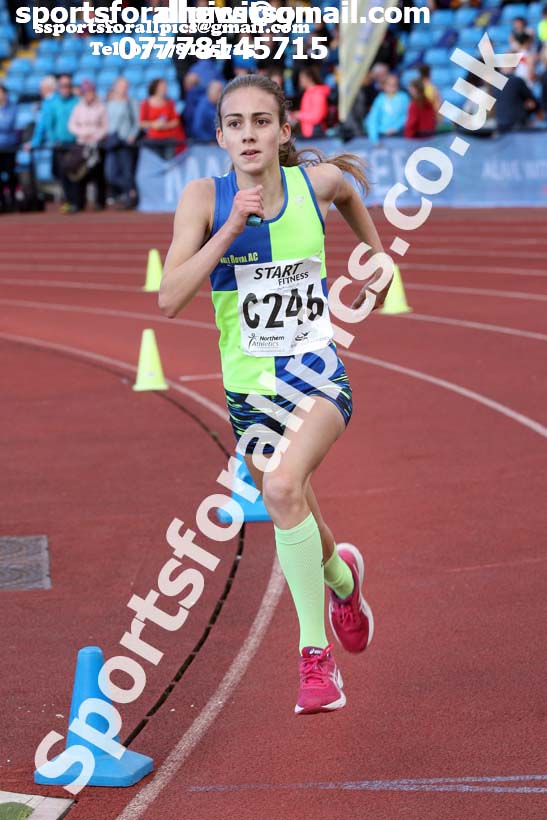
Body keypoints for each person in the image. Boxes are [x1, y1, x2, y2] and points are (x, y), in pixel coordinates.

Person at [159, 75, 391, 715]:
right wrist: (231, 225)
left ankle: (315, 661)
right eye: (236, 123)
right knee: (296, 506)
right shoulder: (205, 198)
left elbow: (343, 187)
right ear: (220, 136)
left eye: (263, 121)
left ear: (284, 132)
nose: (250, 133)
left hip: (315, 373)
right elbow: (169, 297)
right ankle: (343, 583)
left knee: (282, 489)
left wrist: (375, 256)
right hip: (249, 394)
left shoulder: (312, 187)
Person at [68, 79, 108, 211]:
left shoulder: (101, 107)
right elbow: (72, 125)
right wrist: (83, 133)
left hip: (96, 145)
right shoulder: (78, 108)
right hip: (82, 144)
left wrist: (95, 135)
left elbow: (105, 126)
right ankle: (79, 202)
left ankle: (99, 202)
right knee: (80, 175)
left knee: (98, 174)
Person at [105, 77, 140, 208]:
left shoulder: (131, 103)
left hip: (125, 142)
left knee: (127, 172)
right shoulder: (109, 103)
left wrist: (132, 135)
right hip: (112, 141)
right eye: (121, 86)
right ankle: (131, 191)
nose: (123, 88)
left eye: (125, 86)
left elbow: (137, 122)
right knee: (110, 174)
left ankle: (129, 197)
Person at [48, 74, 79, 213]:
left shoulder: (77, 102)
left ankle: (76, 202)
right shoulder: (53, 104)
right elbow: (49, 125)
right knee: (62, 175)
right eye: (62, 86)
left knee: (76, 175)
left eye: (68, 86)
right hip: (60, 145)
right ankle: (69, 201)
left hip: (75, 144)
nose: (65, 89)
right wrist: (54, 139)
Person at [139, 79, 186, 158]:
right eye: (162, 87)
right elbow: (141, 123)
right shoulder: (145, 103)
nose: (164, 89)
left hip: (168, 139)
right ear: (155, 87)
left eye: (165, 87)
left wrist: (164, 125)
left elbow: (175, 121)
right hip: (152, 139)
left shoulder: (170, 103)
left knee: (169, 163)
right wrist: (153, 124)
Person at [365, 73, 409, 145]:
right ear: (384, 86)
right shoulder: (380, 99)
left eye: (395, 84)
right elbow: (373, 118)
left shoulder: (404, 97)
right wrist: (374, 139)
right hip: (382, 135)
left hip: (399, 135)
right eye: (390, 84)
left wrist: (396, 127)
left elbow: (407, 115)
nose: (392, 87)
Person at [288, 66, 331, 138]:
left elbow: (317, 116)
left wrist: (298, 115)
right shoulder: (307, 93)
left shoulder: (318, 93)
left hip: (316, 132)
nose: (300, 81)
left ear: (310, 78)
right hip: (308, 132)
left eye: (302, 78)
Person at [0, 84, 18, 212]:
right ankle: (2, 202)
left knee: (11, 174)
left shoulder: (13, 108)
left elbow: (8, 124)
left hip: (9, 147)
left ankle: (12, 200)